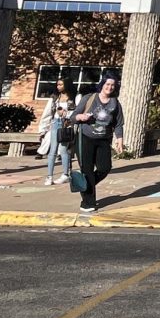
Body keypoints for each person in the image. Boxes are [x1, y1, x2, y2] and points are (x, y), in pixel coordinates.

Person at [71, 71, 125, 214]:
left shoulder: (115, 103)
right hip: (85, 138)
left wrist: (119, 140)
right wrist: (80, 117)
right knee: (87, 170)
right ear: (102, 84)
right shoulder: (89, 98)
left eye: (113, 85)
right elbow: (72, 117)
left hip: (103, 139)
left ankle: (85, 185)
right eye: (108, 84)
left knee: (104, 168)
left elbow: (118, 124)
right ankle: (88, 202)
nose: (110, 87)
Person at [36, 78, 76, 185]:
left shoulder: (74, 98)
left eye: (61, 84)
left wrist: (66, 114)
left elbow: (76, 112)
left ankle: (65, 174)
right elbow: (47, 114)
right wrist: (42, 129)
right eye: (57, 85)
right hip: (55, 123)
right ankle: (49, 176)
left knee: (63, 150)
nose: (58, 87)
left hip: (66, 125)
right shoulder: (54, 98)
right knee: (52, 151)